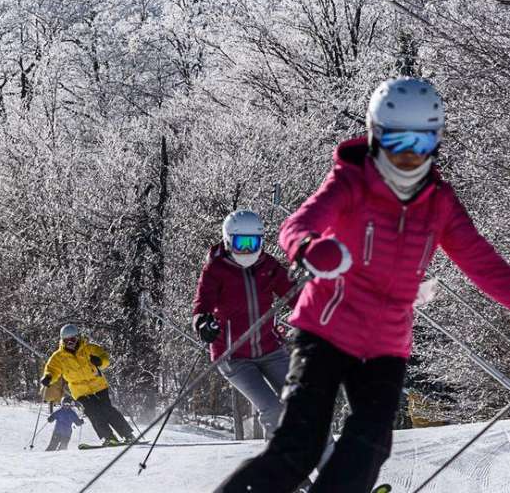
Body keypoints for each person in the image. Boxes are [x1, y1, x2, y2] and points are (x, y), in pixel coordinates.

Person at [215, 77, 510, 493]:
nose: (408, 158)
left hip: (386, 345)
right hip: (326, 330)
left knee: (368, 447)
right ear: (375, 136)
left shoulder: (440, 202)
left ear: (436, 143)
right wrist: (309, 248)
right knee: (298, 448)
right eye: (397, 144)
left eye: (421, 145)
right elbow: (296, 226)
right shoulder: (352, 181)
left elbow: (483, 263)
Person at [192, 210, 294, 438]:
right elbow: (202, 304)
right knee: (273, 409)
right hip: (233, 356)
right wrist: (203, 324)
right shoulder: (215, 269)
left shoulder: (267, 265)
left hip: (270, 349)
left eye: (253, 242)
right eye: (241, 243)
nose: (248, 250)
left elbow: (293, 293)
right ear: (228, 241)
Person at [40, 324, 133, 448]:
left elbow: (105, 358)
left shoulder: (89, 348)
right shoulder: (58, 357)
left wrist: (100, 361)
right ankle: (109, 437)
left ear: (78, 338)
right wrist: (48, 377)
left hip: (98, 385)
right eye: (66, 340)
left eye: (72, 339)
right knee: (93, 412)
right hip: (80, 391)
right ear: (62, 341)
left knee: (107, 409)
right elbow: (52, 369)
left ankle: (128, 435)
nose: (70, 343)